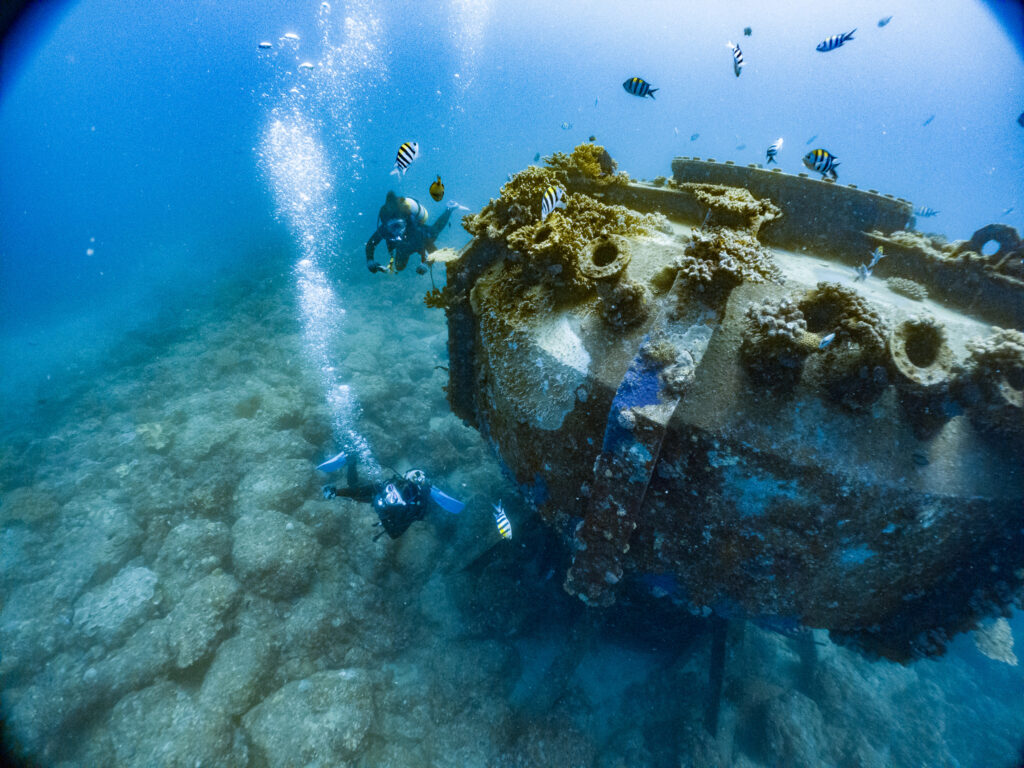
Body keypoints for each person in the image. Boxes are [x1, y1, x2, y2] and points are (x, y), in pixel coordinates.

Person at [323, 461, 464, 540]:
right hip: (382, 502)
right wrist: (337, 492)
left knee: (359, 492)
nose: (418, 478)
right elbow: (360, 491)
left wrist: (382, 513)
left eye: (419, 477)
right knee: (357, 489)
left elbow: (394, 533)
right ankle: (350, 460)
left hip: (392, 514)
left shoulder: (415, 504)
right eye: (414, 475)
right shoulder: (394, 483)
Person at [364, 190, 458, 275]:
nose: (396, 231)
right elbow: (371, 244)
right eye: (392, 227)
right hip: (404, 247)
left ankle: (449, 209)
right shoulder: (384, 229)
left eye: (399, 225)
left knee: (434, 232)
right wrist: (370, 260)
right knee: (399, 267)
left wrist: (426, 264)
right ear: (386, 226)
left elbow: (433, 250)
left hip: (416, 240)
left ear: (405, 222)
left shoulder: (414, 229)